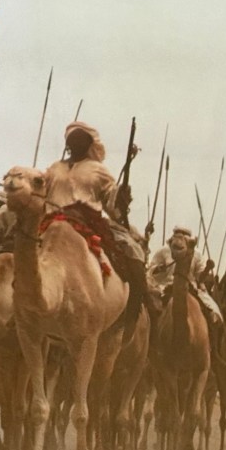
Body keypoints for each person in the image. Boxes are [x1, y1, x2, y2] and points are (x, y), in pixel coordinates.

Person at [43, 122, 147, 331]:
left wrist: (121, 196)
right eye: (71, 137)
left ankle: (130, 314)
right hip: (51, 221)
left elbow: (112, 205)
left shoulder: (99, 170)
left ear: (89, 143)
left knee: (133, 251)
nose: (75, 140)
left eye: (80, 137)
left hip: (87, 221)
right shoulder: (54, 169)